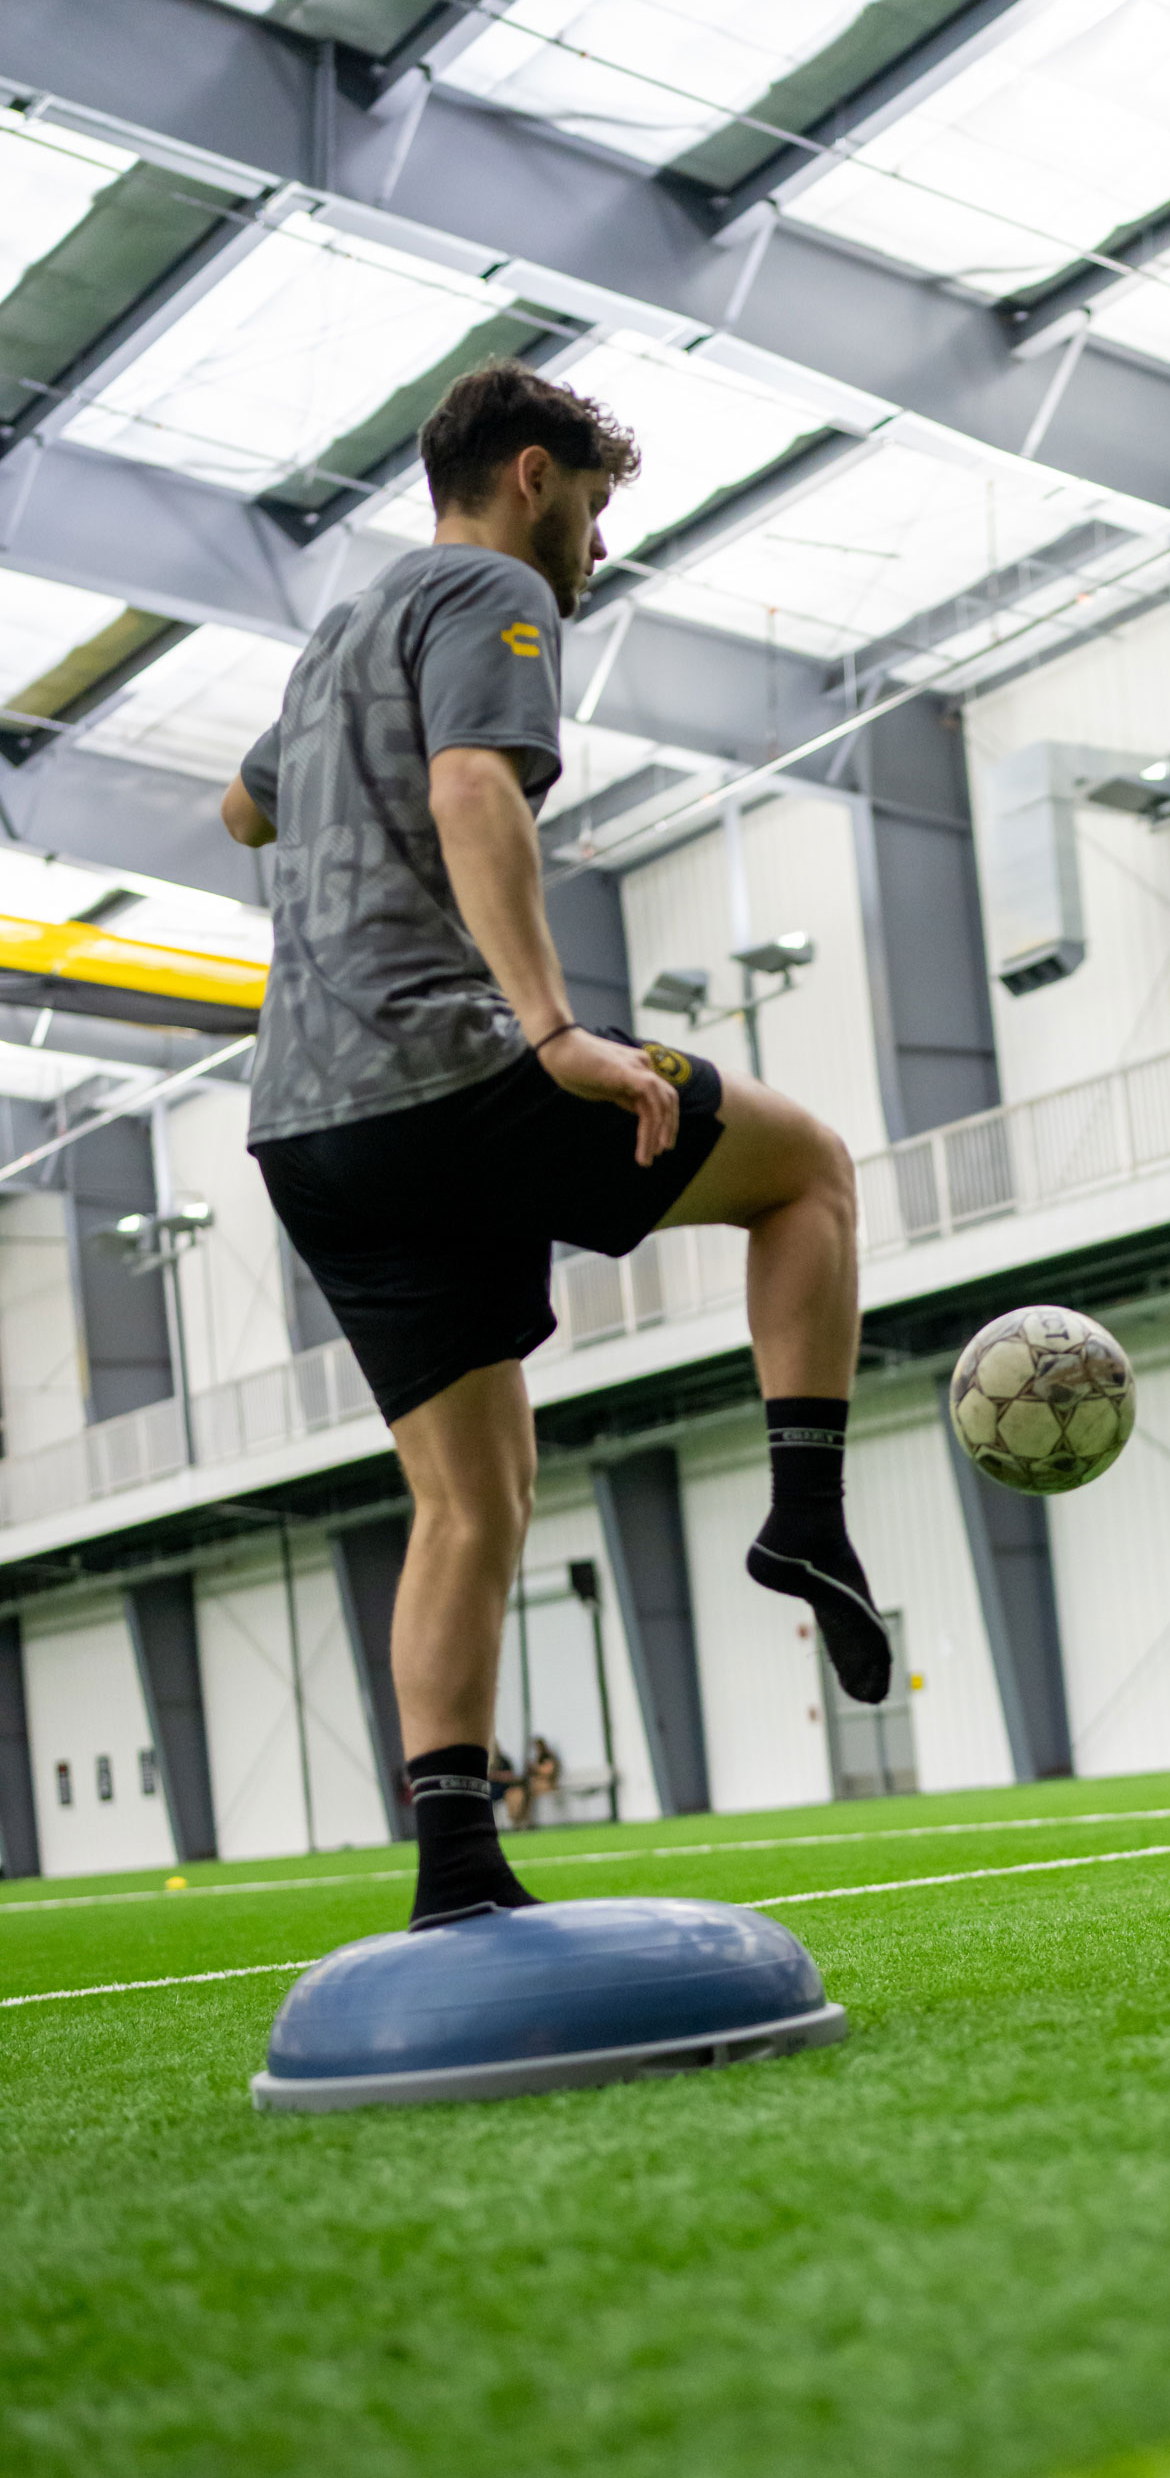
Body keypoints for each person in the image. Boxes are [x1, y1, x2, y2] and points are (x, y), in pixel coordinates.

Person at [220, 359, 890, 1928]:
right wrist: (554, 1029)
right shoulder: (492, 597)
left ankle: (455, 1862)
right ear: (532, 477)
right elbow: (470, 787)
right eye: (592, 513)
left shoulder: (336, 642)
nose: (596, 552)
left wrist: (319, 787)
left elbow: (240, 814)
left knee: (469, 1498)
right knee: (806, 1169)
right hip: (448, 1067)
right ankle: (807, 1515)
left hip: (308, 1130)